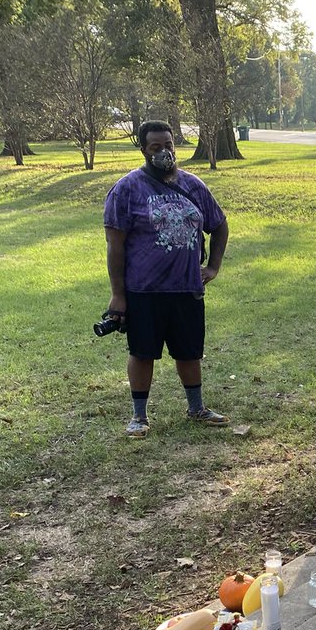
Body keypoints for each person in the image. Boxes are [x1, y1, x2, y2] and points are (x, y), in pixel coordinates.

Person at [104, 120, 230, 438]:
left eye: (168, 145)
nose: (164, 152)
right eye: (155, 147)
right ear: (143, 149)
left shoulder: (193, 185)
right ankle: (139, 416)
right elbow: (115, 246)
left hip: (187, 287)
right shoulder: (127, 189)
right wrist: (118, 295)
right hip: (144, 289)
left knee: (189, 351)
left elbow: (219, 225)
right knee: (143, 352)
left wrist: (213, 267)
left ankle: (197, 408)